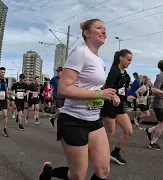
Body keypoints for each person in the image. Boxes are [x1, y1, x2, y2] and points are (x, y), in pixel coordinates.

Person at [39, 18, 118, 180]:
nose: (104, 31)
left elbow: (91, 88)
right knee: (77, 175)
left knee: (103, 170)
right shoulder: (80, 53)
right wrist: (100, 95)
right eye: (98, 28)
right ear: (86, 33)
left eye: (104, 28)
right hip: (73, 120)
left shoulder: (99, 60)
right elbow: (63, 89)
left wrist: (108, 94)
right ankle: (48, 174)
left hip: (94, 120)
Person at [101, 49, 132, 165]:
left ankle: (115, 152)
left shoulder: (126, 75)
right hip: (110, 104)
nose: (129, 62)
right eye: (128, 60)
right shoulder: (114, 71)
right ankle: (98, 152)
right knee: (110, 131)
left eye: (131, 60)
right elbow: (108, 88)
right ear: (121, 58)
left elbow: (123, 91)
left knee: (128, 131)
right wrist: (114, 96)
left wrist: (127, 98)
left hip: (120, 105)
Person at [145, 60, 163, 150]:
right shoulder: (160, 77)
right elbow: (154, 89)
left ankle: (150, 130)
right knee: (162, 123)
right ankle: (152, 143)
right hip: (158, 103)